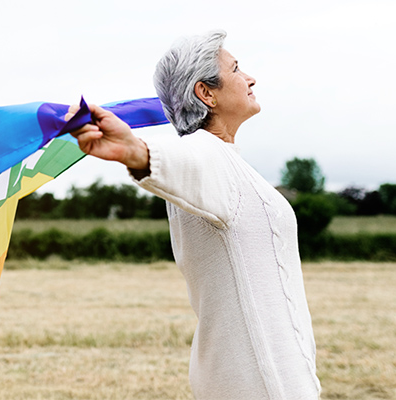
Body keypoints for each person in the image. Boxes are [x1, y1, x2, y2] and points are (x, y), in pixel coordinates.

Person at [65, 30, 321, 399]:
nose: (250, 78)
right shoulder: (206, 154)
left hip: (277, 376)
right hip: (262, 384)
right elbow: (181, 161)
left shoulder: (229, 162)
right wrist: (135, 151)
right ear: (206, 93)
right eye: (236, 69)